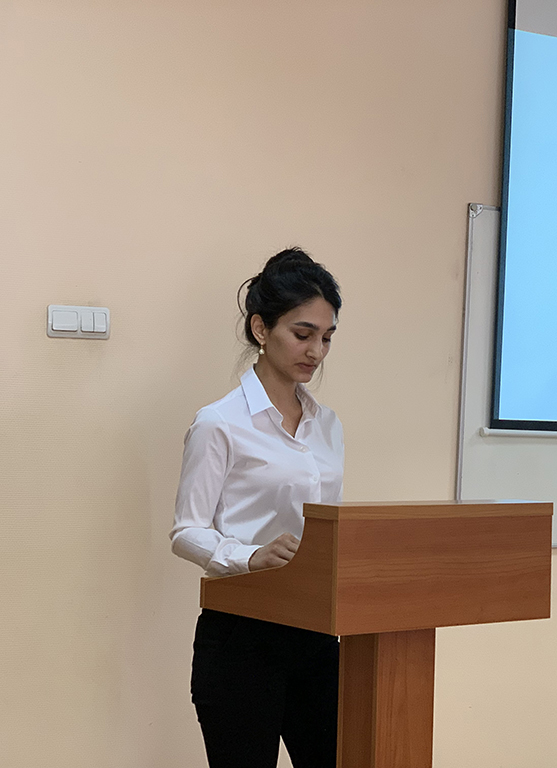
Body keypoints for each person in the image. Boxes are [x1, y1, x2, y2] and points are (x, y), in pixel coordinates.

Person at [170, 247, 344, 768]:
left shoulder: (327, 425)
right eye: (303, 333)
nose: (316, 351)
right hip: (242, 637)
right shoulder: (220, 423)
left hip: (317, 631)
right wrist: (250, 556)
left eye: (327, 337)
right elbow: (186, 531)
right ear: (261, 328)